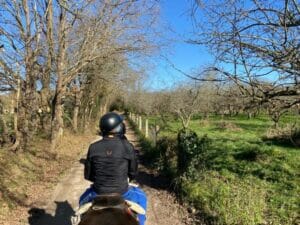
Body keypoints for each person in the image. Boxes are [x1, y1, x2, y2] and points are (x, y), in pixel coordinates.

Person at [79, 112, 147, 225]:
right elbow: (133, 173)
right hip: (122, 192)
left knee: (82, 200)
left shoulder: (93, 147)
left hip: (98, 192)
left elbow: (88, 176)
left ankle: (80, 218)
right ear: (118, 128)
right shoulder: (127, 146)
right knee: (142, 198)